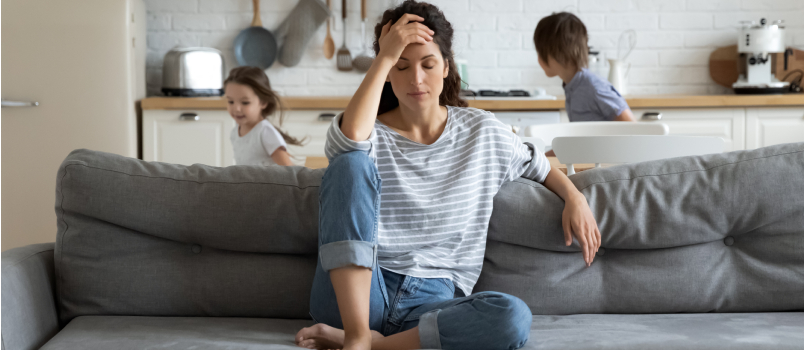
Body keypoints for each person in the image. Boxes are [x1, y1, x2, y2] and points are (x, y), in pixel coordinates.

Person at [295, 2, 601, 349]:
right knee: (349, 162)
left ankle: (369, 344)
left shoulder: (481, 131)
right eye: (401, 65)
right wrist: (384, 54)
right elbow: (349, 140)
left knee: (512, 316)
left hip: (432, 302)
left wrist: (575, 197)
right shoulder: (367, 133)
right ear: (387, 72)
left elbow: (540, 165)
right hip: (359, 291)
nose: (416, 79)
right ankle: (356, 332)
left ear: (445, 67)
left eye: (428, 64)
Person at [534, 12, 635, 123]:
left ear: (559, 54)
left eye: (540, 52)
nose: (538, 58)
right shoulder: (571, 86)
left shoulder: (594, 86)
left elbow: (631, 126)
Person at [224, 66, 304, 166]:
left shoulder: (265, 132)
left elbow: (289, 170)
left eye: (245, 102)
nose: (236, 108)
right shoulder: (235, 132)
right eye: (231, 101)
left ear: (263, 102)